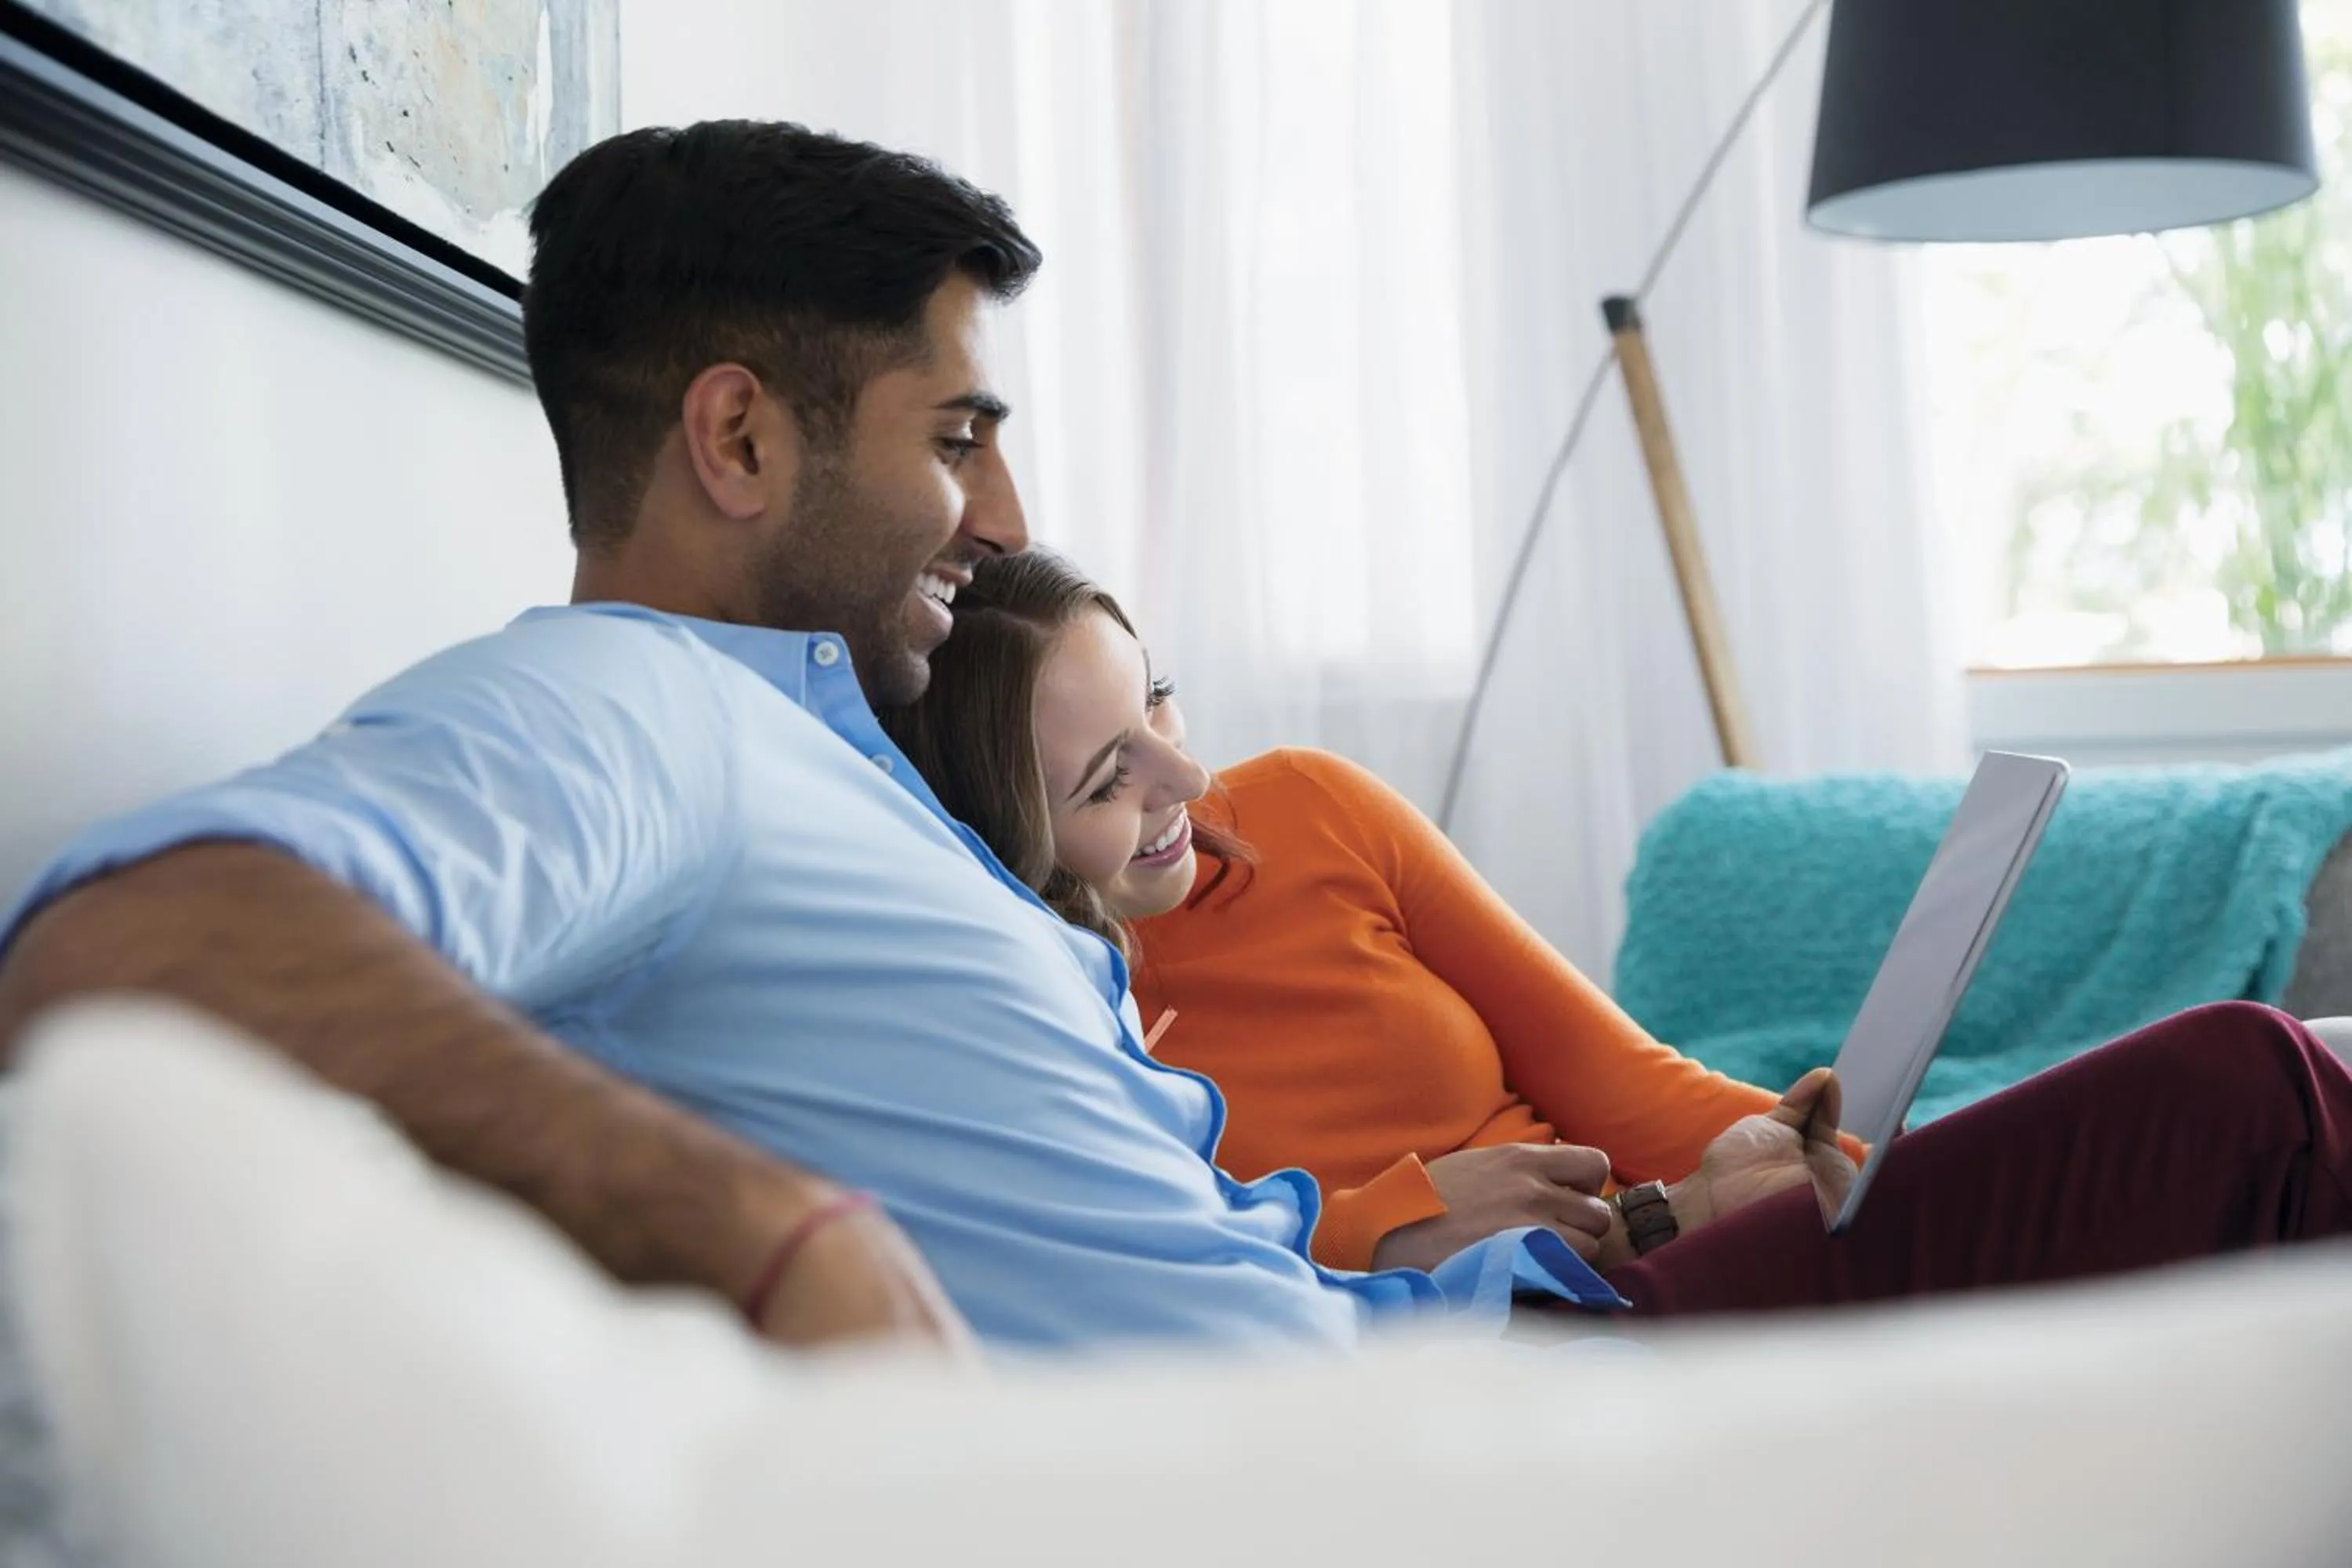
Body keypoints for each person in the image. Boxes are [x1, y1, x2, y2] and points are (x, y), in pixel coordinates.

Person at [0, 120, 1648, 1360]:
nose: (1001, 516)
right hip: (1347, 1476)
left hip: (1442, 1358)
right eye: (955, 440)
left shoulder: (850, 754)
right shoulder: (638, 708)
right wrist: (760, 1224)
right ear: (738, 440)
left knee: (1890, 1203)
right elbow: (129, 940)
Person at [883, 546, 2352, 1312]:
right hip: (1583, 1316)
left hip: (1679, 1236)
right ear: (1008, 835)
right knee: (2251, 1081)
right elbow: (1156, 1268)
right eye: (1104, 781)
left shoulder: (1310, 808)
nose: (1184, 784)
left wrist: (1824, 1156)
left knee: (2295, 1078)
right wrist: (1400, 1217)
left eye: (1159, 698)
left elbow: (1621, 1080)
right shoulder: (1042, 1002)